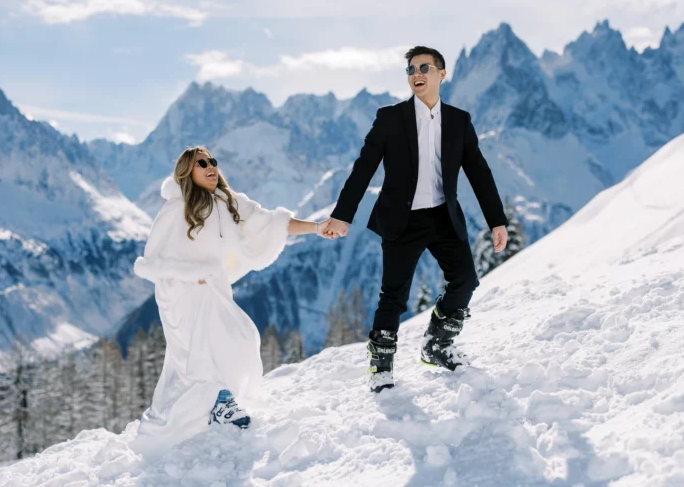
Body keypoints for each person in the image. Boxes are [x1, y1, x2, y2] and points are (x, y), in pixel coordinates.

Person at [322, 46, 508, 393]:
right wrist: (341, 215)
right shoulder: (390, 118)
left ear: (442, 74)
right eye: (410, 69)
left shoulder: (458, 120)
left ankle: (437, 345)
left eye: (424, 67)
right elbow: (364, 168)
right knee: (393, 296)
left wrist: (497, 221)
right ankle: (381, 366)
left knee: (466, 281)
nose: (416, 74)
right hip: (401, 220)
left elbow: (479, 173)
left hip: (443, 217)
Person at [129, 145, 333, 457]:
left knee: (238, 337)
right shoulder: (176, 208)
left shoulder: (228, 202)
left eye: (213, 161)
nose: (211, 166)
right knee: (198, 352)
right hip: (180, 294)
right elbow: (154, 259)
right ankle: (220, 402)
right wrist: (187, 274)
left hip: (213, 287)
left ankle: (216, 401)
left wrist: (317, 228)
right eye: (202, 163)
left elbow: (271, 222)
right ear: (188, 171)